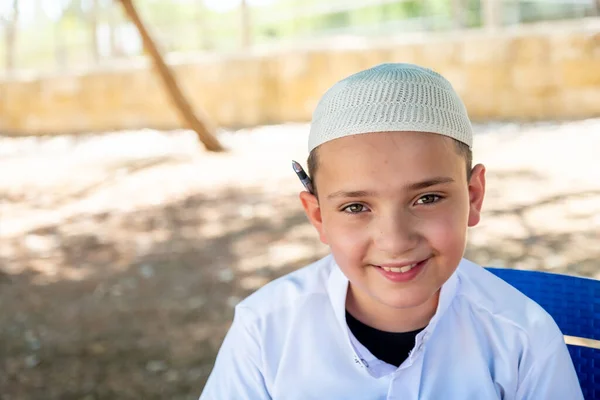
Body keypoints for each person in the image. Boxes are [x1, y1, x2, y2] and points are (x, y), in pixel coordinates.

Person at [199, 63, 583, 399]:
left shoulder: (523, 338)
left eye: (428, 198)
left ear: (473, 196)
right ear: (318, 217)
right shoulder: (264, 330)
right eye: (355, 207)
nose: (396, 241)